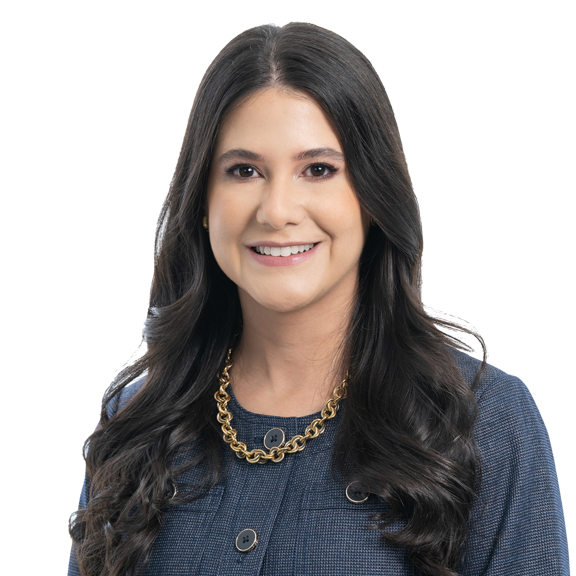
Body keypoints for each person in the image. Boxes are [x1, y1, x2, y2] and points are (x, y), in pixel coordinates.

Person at [67, 22, 569, 576]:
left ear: (373, 197)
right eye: (244, 171)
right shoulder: (136, 423)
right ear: (203, 200)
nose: (277, 210)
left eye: (319, 170)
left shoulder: (482, 420)